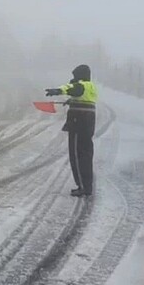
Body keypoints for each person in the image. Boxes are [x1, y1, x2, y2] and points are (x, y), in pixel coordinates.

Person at [45, 64, 98, 197]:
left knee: (76, 154)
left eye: (75, 76)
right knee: (86, 154)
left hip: (78, 121)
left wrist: (57, 91)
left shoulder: (80, 85)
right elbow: (83, 98)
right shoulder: (90, 86)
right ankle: (87, 185)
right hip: (88, 120)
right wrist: (71, 101)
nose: (73, 78)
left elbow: (71, 88)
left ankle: (82, 186)